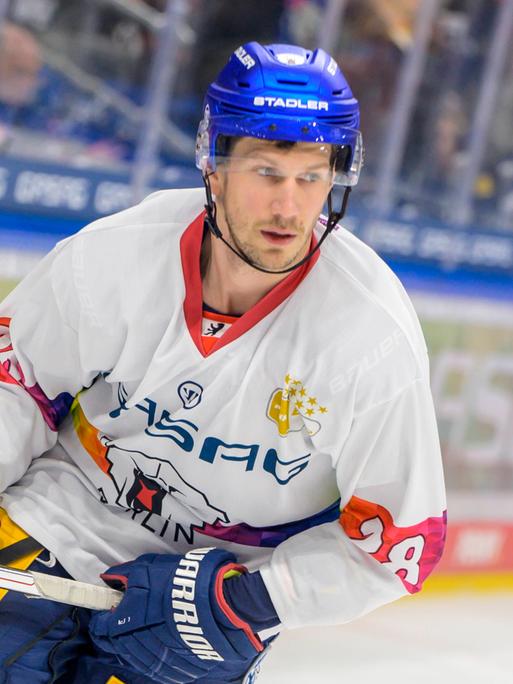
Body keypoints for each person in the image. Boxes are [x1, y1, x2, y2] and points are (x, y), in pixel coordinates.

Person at [0, 41, 447, 683]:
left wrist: (251, 602)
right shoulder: (116, 256)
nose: (290, 208)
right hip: (61, 517)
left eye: (312, 176)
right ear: (214, 166)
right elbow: (16, 387)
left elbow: (402, 545)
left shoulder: (369, 338)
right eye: (267, 172)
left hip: (208, 597)